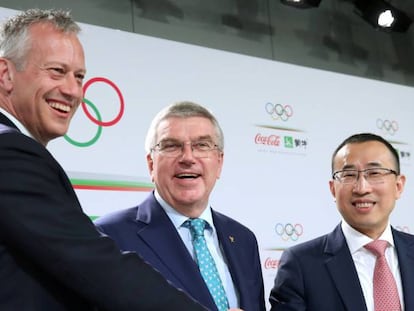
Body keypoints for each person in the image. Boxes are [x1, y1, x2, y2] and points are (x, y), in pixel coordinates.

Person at [0, 8, 209, 310]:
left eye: (79, 77)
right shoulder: (10, 152)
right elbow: (96, 267)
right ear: (6, 74)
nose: (72, 90)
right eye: (56, 71)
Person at [95, 101, 266, 311]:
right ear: (151, 164)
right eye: (171, 146)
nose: (187, 157)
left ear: (219, 162)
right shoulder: (111, 236)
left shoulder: (243, 239)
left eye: (202, 145)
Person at [269, 133, 414, 311]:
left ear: (398, 186)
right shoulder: (301, 264)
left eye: (374, 173)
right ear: (333, 189)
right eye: (349, 175)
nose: (362, 188)